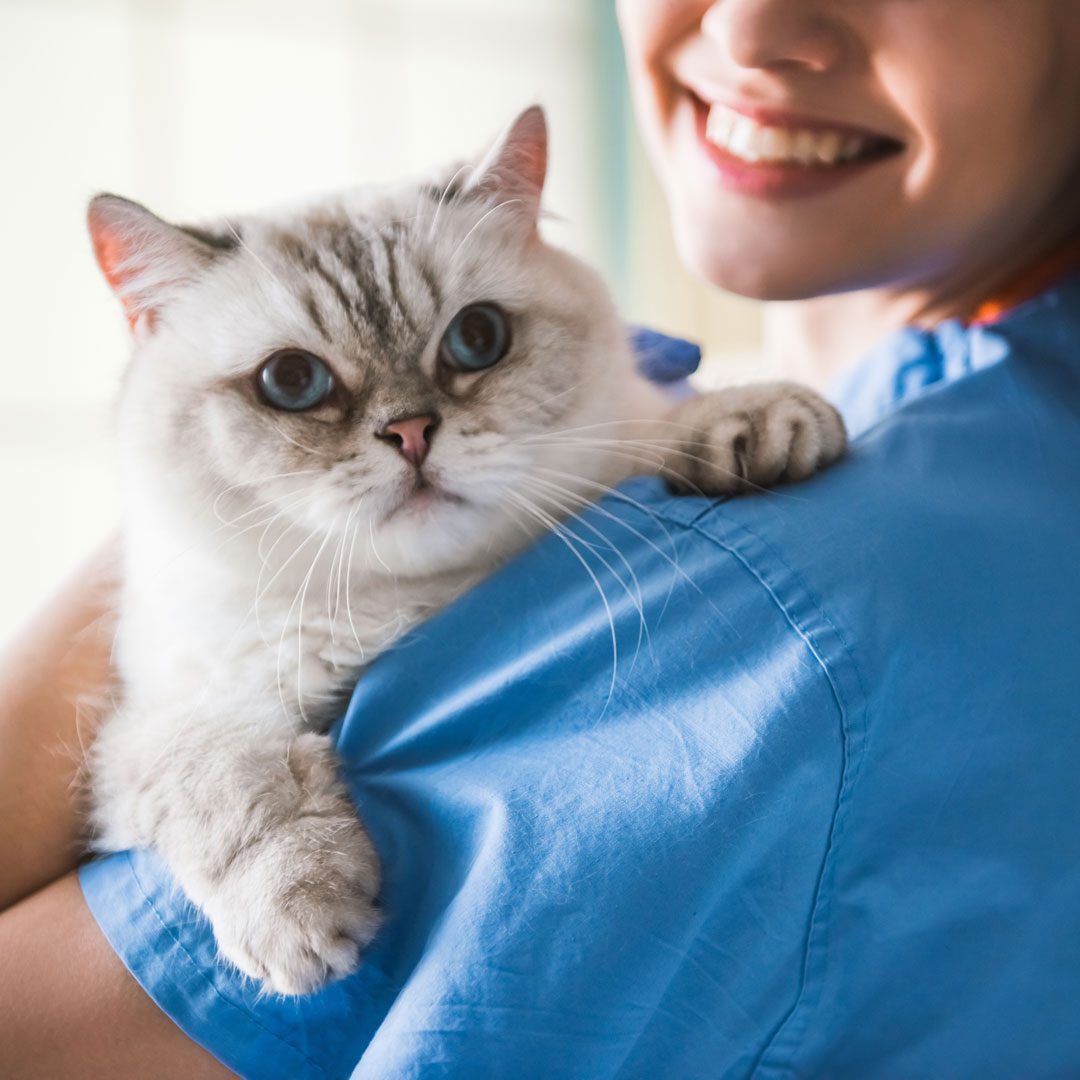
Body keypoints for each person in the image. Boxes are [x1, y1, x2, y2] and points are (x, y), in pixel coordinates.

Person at [2, 1, 1080, 1075]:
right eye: (296, 385)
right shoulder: (972, 418)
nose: (406, 429)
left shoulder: (760, 600)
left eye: (473, 340)